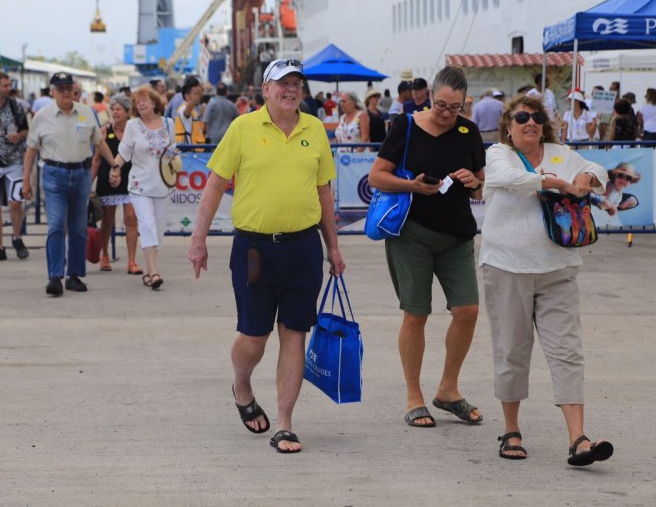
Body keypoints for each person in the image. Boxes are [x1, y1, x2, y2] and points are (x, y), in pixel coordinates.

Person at [187, 58, 345, 454]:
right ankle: (241, 384)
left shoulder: (315, 131)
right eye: (282, 83)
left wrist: (334, 247)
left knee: (295, 333)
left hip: (304, 249)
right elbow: (215, 184)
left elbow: (324, 191)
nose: (291, 89)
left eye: (297, 83)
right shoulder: (242, 128)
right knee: (254, 337)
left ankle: (286, 424)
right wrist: (198, 239)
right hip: (254, 250)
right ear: (266, 90)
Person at [480, 93, 614, 466]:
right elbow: (509, 179)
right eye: (521, 117)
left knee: (568, 351)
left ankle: (579, 440)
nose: (530, 123)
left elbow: (599, 172)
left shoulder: (560, 151)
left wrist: (586, 175)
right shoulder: (499, 154)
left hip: (558, 268)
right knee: (512, 351)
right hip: (507, 267)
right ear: (509, 126)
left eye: (536, 117)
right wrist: (554, 182)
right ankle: (511, 429)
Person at [368, 66, 485, 428]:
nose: (446, 114)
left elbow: (480, 184)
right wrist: (413, 187)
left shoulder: (469, 131)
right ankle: (414, 396)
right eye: (440, 105)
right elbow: (376, 176)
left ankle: (448, 390)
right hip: (412, 234)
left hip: (457, 236)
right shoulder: (405, 126)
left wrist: (473, 181)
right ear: (429, 96)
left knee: (467, 310)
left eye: (455, 108)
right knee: (416, 314)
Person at [22, 72, 108, 296]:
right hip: (54, 174)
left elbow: (99, 142)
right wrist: (26, 181)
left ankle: (75, 275)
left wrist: (114, 164)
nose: (66, 91)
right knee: (57, 225)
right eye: (61, 88)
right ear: (52, 91)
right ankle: (55, 276)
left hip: (81, 174)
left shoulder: (87, 113)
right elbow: (31, 149)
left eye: (69, 87)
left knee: (79, 228)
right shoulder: (42, 116)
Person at [109, 85, 178, 290]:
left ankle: (148, 270)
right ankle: (154, 271)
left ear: (155, 103)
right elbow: (124, 152)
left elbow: (174, 149)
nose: (140, 104)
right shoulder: (132, 125)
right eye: (137, 102)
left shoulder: (169, 124)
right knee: (146, 225)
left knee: (158, 228)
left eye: (144, 100)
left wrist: (174, 156)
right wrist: (115, 169)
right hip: (139, 185)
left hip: (163, 184)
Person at [0, 71, 30, 263]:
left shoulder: (16, 106)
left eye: (10, 85)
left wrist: (19, 136)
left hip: (13, 160)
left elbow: (25, 129)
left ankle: (17, 237)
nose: (9, 89)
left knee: (16, 201)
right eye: (5, 86)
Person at [90, 93, 142, 275]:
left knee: (131, 219)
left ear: (128, 112)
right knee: (108, 220)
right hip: (108, 178)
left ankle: (132, 261)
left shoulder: (134, 129)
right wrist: (90, 181)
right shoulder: (105, 130)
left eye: (119, 109)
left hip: (130, 178)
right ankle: (104, 254)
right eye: (113, 109)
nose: (115, 112)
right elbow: (97, 159)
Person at [590, 161, 641, 228]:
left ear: (631, 181)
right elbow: (591, 192)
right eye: (620, 176)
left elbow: (617, 205)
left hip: (605, 218)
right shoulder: (609, 187)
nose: (623, 180)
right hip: (597, 217)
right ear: (614, 176)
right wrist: (601, 201)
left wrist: (628, 202)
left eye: (628, 178)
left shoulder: (618, 193)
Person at [174, 79, 205, 146]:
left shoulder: (194, 111)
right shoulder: (182, 109)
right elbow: (187, 110)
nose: (198, 97)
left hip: (196, 150)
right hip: (188, 151)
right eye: (195, 94)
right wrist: (199, 92)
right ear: (187, 96)